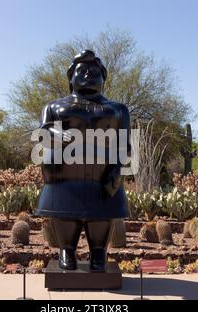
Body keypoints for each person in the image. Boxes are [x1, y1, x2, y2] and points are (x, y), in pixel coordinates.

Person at [34, 50, 131, 272]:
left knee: (101, 217)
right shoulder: (54, 107)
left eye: (94, 72)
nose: (88, 74)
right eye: (82, 71)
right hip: (63, 178)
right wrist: (57, 135)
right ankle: (66, 250)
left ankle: (99, 252)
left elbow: (125, 144)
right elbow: (41, 134)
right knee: (65, 216)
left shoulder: (117, 110)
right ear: (70, 77)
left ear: (103, 78)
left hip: (102, 178)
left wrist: (118, 170)